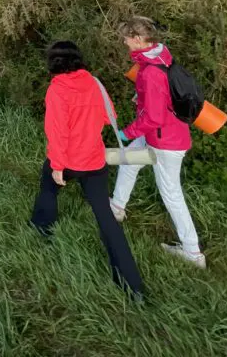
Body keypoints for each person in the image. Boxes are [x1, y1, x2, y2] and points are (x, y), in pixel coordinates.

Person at [29, 41, 144, 299]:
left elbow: (57, 133)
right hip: (95, 161)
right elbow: (108, 117)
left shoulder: (57, 90)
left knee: (48, 185)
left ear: (54, 63)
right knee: (105, 217)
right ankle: (132, 285)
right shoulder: (94, 83)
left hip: (69, 161)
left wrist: (58, 166)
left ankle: (41, 226)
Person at [110, 17, 206, 269]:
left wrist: (127, 132)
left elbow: (154, 117)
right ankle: (117, 207)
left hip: (165, 142)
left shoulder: (151, 71)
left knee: (172, 194)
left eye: (127, 37)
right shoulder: (160, 55)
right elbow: (162, 94)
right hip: (163, 134)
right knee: (128, 161)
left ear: (139, 39)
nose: (124, 41)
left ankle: (193, 253)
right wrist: (141, 97)